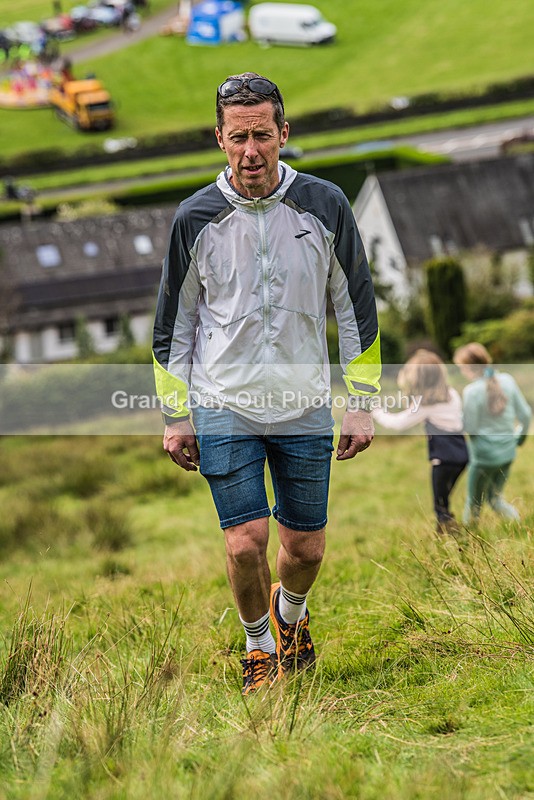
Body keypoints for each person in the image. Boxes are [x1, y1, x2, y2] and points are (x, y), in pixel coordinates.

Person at [152, 72, 381, 695]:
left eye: (261, 135)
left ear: (283, 133)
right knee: (245, 544)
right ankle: (258, 646)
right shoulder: (195, 217)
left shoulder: (326, 205)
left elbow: (356, 308)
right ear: (219, 139)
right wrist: (175, 414)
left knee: (305, 550)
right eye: (238, 138)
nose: (250, 151)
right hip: (222, 404)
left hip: (304, 405)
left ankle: (290, 613)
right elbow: (174, 323)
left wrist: (360, 404)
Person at [372, 349, 468, 534]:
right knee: (444, 500)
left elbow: (398, 423)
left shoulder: (425, 404)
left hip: (443, 459)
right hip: (462, 456)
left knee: (439, 505)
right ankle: (450, 533)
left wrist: (376, 411)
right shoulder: (452, 394)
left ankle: (449, 536)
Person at [453, 342, 531, 525]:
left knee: (474, 503)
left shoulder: (471, 391)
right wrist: (520, 438)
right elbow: (526, 415)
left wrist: (459, 419)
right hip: (508, 453)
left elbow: (471, 429)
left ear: (468, 367)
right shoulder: (508, 380)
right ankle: (521, 528)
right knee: (495, 499)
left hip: (484, 458)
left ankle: (469, 539)